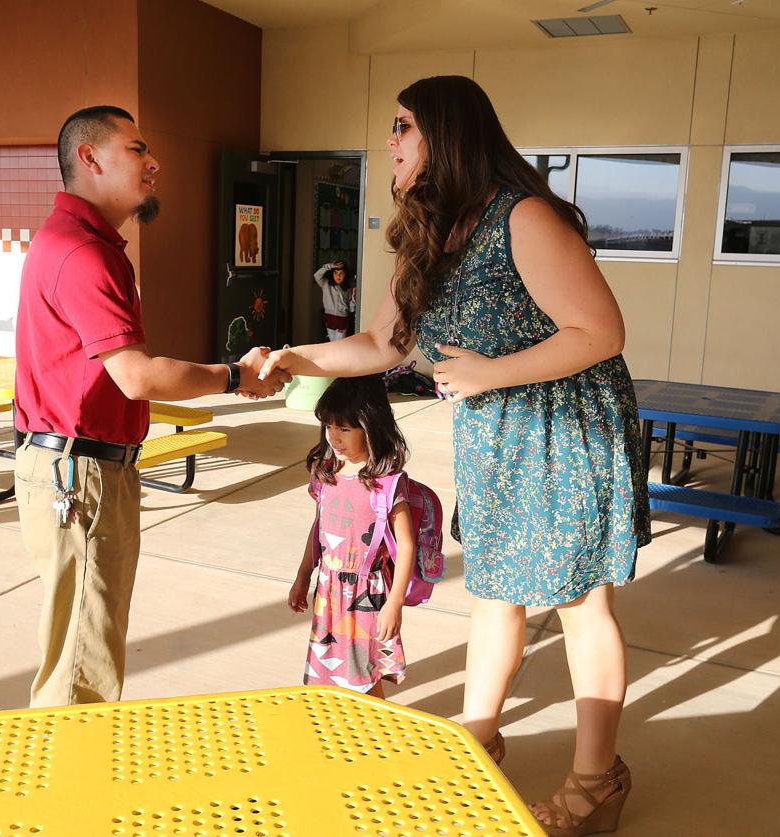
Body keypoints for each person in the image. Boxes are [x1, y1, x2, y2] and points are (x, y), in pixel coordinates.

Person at [260, 76, 650, 837]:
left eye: (403, 126)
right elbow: (381, 344)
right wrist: (290, 358)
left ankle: (598, 779)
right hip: (498, 435)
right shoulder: (429, 236)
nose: (392, 141)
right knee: (498, 590)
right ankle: (479, 736)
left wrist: (484, 374)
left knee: (581, 601)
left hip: (564, 428)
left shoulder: (523, 218)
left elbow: (600, 332)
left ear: (448, 134)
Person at [15, 105, 288, 709]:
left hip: (83, 468)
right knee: (79, 673)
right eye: (137, 149)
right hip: (79, 474)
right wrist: (235, 377)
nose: (153, 162)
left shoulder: (82, 244)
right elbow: (137, 377)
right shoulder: (80, 252)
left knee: (82, 650)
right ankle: (70, 792)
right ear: (89, 158)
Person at [288, 375, 416, 699]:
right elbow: (318, 528)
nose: (334, 436)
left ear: (371, 426)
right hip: (328, 589)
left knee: (363, 674)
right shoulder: (326, 473)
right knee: (327, 668)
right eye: (329, 426)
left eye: (345, 429)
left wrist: (395, 602)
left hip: (366, 595)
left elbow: (407, 545)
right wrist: (304, 575)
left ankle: (372, 733)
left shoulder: (386, 483)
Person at [313, 259, 356, 341]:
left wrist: (354, 299)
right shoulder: (325, 284)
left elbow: (351, 309)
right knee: (332, 344)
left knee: (338, 345)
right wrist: (331, 266)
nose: (338, 276)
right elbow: (316, 275)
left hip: (342, 321)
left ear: (345, 274)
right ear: (332, 273)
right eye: (335, 273)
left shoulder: (348, 289)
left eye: (341, 273)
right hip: (330, 320)